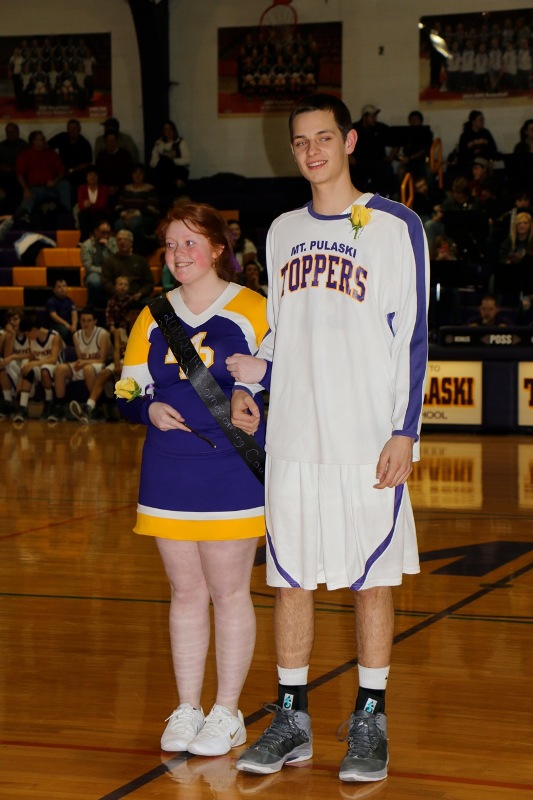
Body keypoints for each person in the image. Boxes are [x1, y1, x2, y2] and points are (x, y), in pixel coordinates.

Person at [228, 93, 429, 783]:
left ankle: (370, 720)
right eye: (300, 141)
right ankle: (292, 719)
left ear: (348, 141)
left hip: (365, 437)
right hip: (293, 439)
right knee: (290, 582)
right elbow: (285, 329)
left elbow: (412, 336)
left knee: (371, 581)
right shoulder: (282, 230)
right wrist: (255, 384)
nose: (311, 150)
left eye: (323, 137)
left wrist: (405, 432)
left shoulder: (395, 225)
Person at [115, 202, 269, 757]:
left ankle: (227, 712)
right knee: (184, 593)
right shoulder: (151, 314)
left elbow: (294, 371)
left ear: (218, 248)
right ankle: (187, 707)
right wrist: (145, 409)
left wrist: (256, 382)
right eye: (171, 244)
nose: (179, 254)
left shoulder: (254, 308)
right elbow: (127, 388)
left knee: (229, 592)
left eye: (190, 242)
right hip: (168, 468)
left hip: (231, 467)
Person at [70, 300, 142, 424]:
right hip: (121, 361)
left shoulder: (146, 331)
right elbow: (116, 350)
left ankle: (130, 410)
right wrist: (117, 363)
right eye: (132, 313)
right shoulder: (119, 332)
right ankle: (89, 407)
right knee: (104, 373)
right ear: (127, 316)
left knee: (127, 374)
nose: (135, 316)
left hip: (138, 364)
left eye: (137, 313)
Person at [48, 307, 111, 422]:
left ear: (95, 321)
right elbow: (80, 359)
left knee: (87, 369)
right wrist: (79, 363)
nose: (86, 324)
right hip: (85, 364)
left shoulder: (103, 334)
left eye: (89, 321)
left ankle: (96, 408)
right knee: (60, 369)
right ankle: (59, 407)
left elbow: (102, 360)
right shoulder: (76, 335)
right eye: (83, 321)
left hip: (98, 366)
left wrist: (84, 362)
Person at [11, 315, 63, 422]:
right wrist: (22, 377)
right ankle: (23, 407)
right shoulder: (32, 339)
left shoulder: (54, 336)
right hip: (40, 365)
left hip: (55, 368)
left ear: (34, 330)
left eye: (27, 333)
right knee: (28, 369)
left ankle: (48, 402)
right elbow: (32, 358)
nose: (27, 336)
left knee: (44, 370)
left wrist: (34, 363)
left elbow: (53, 359)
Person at [15, 130, 71, 222]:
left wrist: (55, 181)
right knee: (28, 196)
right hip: (34, 188)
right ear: (34, 141)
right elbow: (19, 173)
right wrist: (25, 189)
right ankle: (24, 216)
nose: (44, 141)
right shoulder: (25, 154)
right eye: (41, 139)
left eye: (43, 139)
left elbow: (61, 171)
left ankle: (66, 214)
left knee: (65, 184)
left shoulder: (51, 153)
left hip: (52, 187)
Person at [351, 104, 399, 197]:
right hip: (359, 163)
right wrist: (349, 157)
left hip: (378, 162)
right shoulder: (354, 128)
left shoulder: (381, 128)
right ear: (365, 116)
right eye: (372, 117)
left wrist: (391, 157)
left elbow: (397, 141)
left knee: (386, 172)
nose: (375, 119)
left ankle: (384, 198)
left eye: (375, 116)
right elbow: (342, 144)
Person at [101, 229, 155, 304]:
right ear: (116, 243)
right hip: (116, 297)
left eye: (125, 239)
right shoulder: (109, 261)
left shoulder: (141, 261)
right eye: (119, 240)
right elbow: (106, 282)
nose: (122, 242)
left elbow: (149, 282)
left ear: (131, 243)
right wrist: (117, 292)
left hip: (138, 297)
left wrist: (141, 293)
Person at [48, 118, 93, 204]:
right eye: (70, 128)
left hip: (77, 172)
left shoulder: (84, 143)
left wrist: (72, 170)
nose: (72, 130)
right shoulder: (62, 137)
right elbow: (47, 146)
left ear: (79, 129)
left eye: (75, 128)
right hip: (61, 170)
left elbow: (88, 162)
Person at [149, 120, 191, 204]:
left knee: (167, 163)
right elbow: (152, 163)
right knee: (164, 162)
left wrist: (173, 160)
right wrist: (164, 160)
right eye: (165, 129)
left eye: (170, 129)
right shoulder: (158, 143)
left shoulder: (180, 142)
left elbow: (187, 160)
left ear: (174, 130)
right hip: (163, 172)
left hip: (176, 170)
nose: (168, 132)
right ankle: (175, 180)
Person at [0, 307, 28, 419]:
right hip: (15, 368)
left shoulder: (29, 332)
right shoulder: (9, 334)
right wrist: (12, 335)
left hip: (29, 367)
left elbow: (33, 354)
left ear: (22, 319)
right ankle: (9, 403)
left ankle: (19, 401)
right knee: (4, 364)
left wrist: (14, 356)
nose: (12, 322)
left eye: (15, 319)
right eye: (10, 320)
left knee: (25, 362)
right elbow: (7, 356)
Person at [76, 165, 112, 242]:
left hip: (101, 213)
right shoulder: (82, 188)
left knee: (97, 216)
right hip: (86, 213)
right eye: (90, 175)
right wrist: (88, 205)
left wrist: (90, 205)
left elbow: (102, 205)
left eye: (95, 175)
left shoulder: (104, 188)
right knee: (82, 215)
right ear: (86, 177)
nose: (92, 177)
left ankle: (98, 240)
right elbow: (81, 205)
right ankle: (84, 241)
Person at [45, 277, 78, 345]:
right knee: (63, 329)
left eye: (64, 286)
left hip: (68, 323)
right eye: (59, 287)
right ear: (54, 290)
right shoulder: (51, 301)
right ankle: (59, 346)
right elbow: (53, 316)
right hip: (55, 325)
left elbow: (74, 313)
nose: (62, 289)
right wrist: (65, 324)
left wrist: (74, 325)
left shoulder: (69, 300)